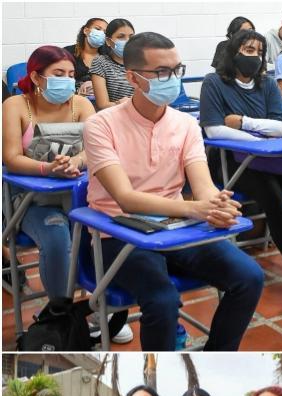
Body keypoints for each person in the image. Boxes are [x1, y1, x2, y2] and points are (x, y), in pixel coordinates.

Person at [83, 31, 265, 351]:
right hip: (119, 234)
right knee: (163, 301)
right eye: (161, 72)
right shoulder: (102, 125)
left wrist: (217, 204)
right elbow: (125, 199)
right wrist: (197, 209)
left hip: (175, 228)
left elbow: (203, 185)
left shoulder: (185, 124)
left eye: (177, 70)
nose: (172, 79)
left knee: (250, 277)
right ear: (133, 77)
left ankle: (216, 356)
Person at [199, 28, 282, 303]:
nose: (255, 57)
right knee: (272, 195)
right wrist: (255, 138)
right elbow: (214, 130)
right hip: (229, 162)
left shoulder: (267, 84)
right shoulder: (214, 82)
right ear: (233, 52)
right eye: (248, 51)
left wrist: (245, 123)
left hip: (270, 159)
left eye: (259, 53)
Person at [1, 46, 118, 340]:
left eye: (70, 74)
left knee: (108, 234)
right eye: (58, 74)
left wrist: (76, 161)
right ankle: (61, 316)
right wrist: (47, 168)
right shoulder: (16, 105)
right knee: (57, 240)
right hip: (32, 200)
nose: (66, 80)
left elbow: (96, 149)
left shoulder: (81, 104)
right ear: (37, 77)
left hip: (80, 195)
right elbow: (11, 158)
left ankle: (100, 305)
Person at [89, 19, 135, 109]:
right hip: (113, 116)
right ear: (108, 41)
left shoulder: (141, 63)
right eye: (121, 37)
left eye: (131, 37)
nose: (127, 41)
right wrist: (124, 104)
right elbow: (102, 104)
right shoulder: (100, 62)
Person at [65, 18, 107, 91]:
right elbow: (60, 79)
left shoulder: (107, 56)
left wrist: (96, 84)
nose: (101, 33)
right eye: (97, 29)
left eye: (105, 32)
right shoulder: (67, 53)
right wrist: (80, 85)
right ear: (86, 31)